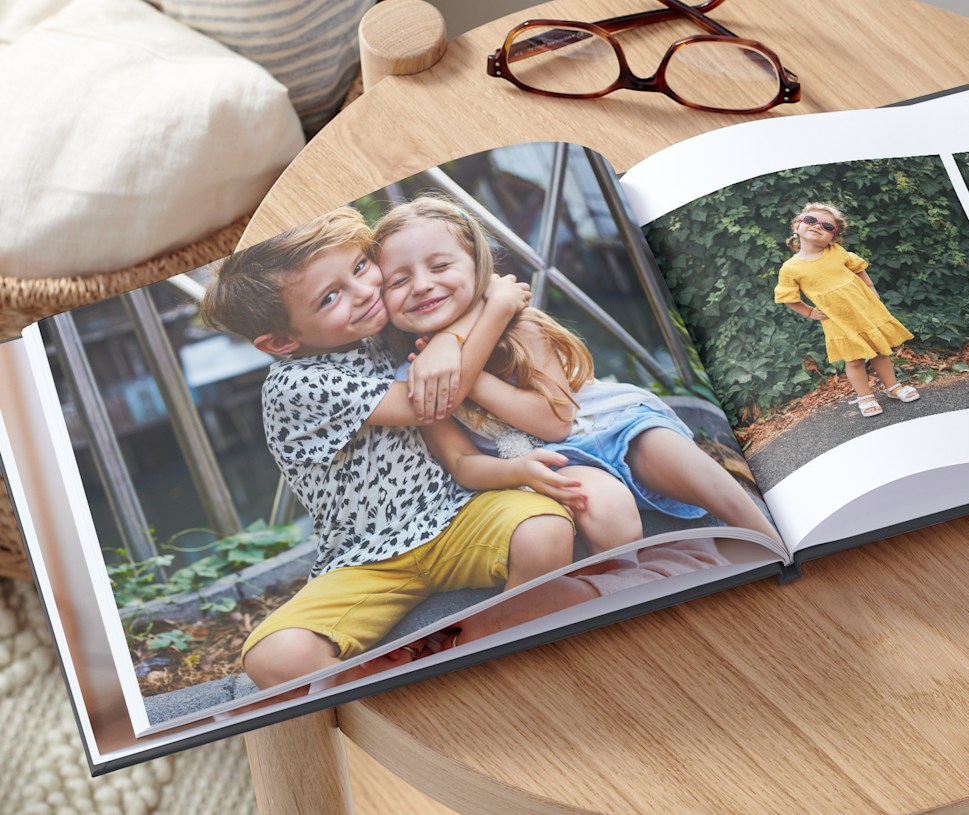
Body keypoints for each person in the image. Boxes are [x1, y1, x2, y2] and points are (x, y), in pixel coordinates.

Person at [201, 208, 603, 691]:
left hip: (456, 516)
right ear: (282, 341)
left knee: (542, 530)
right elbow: (434, 402)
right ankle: (408, 688)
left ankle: (494, 647)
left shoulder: (376, 327)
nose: (365, 293)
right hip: (367, 556)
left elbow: (451, 296)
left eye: (359, 268)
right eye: (330, 297)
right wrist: (491, 309)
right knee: (273, 657)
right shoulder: (297, 384)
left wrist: (451, 334)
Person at [372, 194, 780, 545]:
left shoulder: (518, 327)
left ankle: (770, 538)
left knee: (673, 454)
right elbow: (461, 463)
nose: (422, 285)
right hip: (546, 464)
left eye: (440, 266)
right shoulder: (412, 377)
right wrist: (514, 471)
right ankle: (628, 586)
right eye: (399, 280)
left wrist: (468, 375)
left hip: (606, 425)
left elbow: (556, 421)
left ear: (479, 268)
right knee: (606, 512)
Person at [773, 202, 919, 417]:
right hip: (838, 320)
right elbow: (788, 297)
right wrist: (810, 312)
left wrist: (871, 290)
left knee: (880, 351)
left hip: (864, 310)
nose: (817, 226)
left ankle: (893, 388)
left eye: (827, 226)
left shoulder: (836, 251)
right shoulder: (790, 268)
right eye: (811, 221)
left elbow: (858, 269)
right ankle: (865, 396)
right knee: (854, 360)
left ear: (834, 237)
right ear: (797, 226)